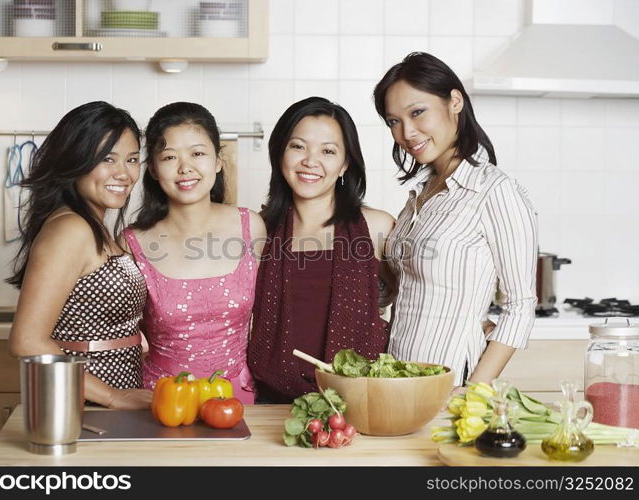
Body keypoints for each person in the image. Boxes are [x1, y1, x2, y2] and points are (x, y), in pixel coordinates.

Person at [373, 52, 538, 388]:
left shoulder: (495, 191)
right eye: (393, 121)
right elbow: (402, 291)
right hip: (397, 381)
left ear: (454, 102)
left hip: (452, 386)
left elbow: (520, 306)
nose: (407, 132)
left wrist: (473, 393)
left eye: (417, 112)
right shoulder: (419, 197)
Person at [248, 97, 396, 403]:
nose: (310, 161)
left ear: (345, 164)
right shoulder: (257, 231)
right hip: (271, 401)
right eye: (298, 146)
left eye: (328, 151)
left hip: (360, 400)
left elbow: (408, 301)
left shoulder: (377, 227)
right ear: (280, 153)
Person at [8, 101, 152, 409]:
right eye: (107, 159)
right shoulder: (71, 229)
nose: (123, 173)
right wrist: (112, 396)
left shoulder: (94, 227)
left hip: (110, 404)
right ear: (75, 161)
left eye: (131, 159)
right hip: (81, 406)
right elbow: (27, 341)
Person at [123, 102, 266, 405]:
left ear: (217, 160)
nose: (185, 167)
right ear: (152, 168)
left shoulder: (250, 226)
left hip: (237, 402)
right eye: (170, 156)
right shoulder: (130, 243)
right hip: (160, 403)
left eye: (198, 153)